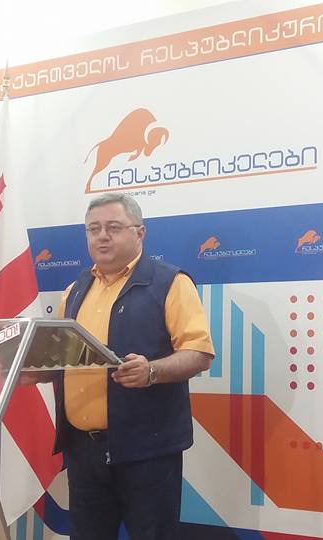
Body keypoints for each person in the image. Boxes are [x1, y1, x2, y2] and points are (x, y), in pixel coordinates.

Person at [53, 193, 214, 540]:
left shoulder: (171, 283)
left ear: (139, 233)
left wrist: (152, 371)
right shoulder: (74, 290)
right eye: (94, 229)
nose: (102, 236)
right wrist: (31, 369)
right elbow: (63, 358)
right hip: (83, 452)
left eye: (113, 227)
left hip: (147, 452)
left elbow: (199, 352)